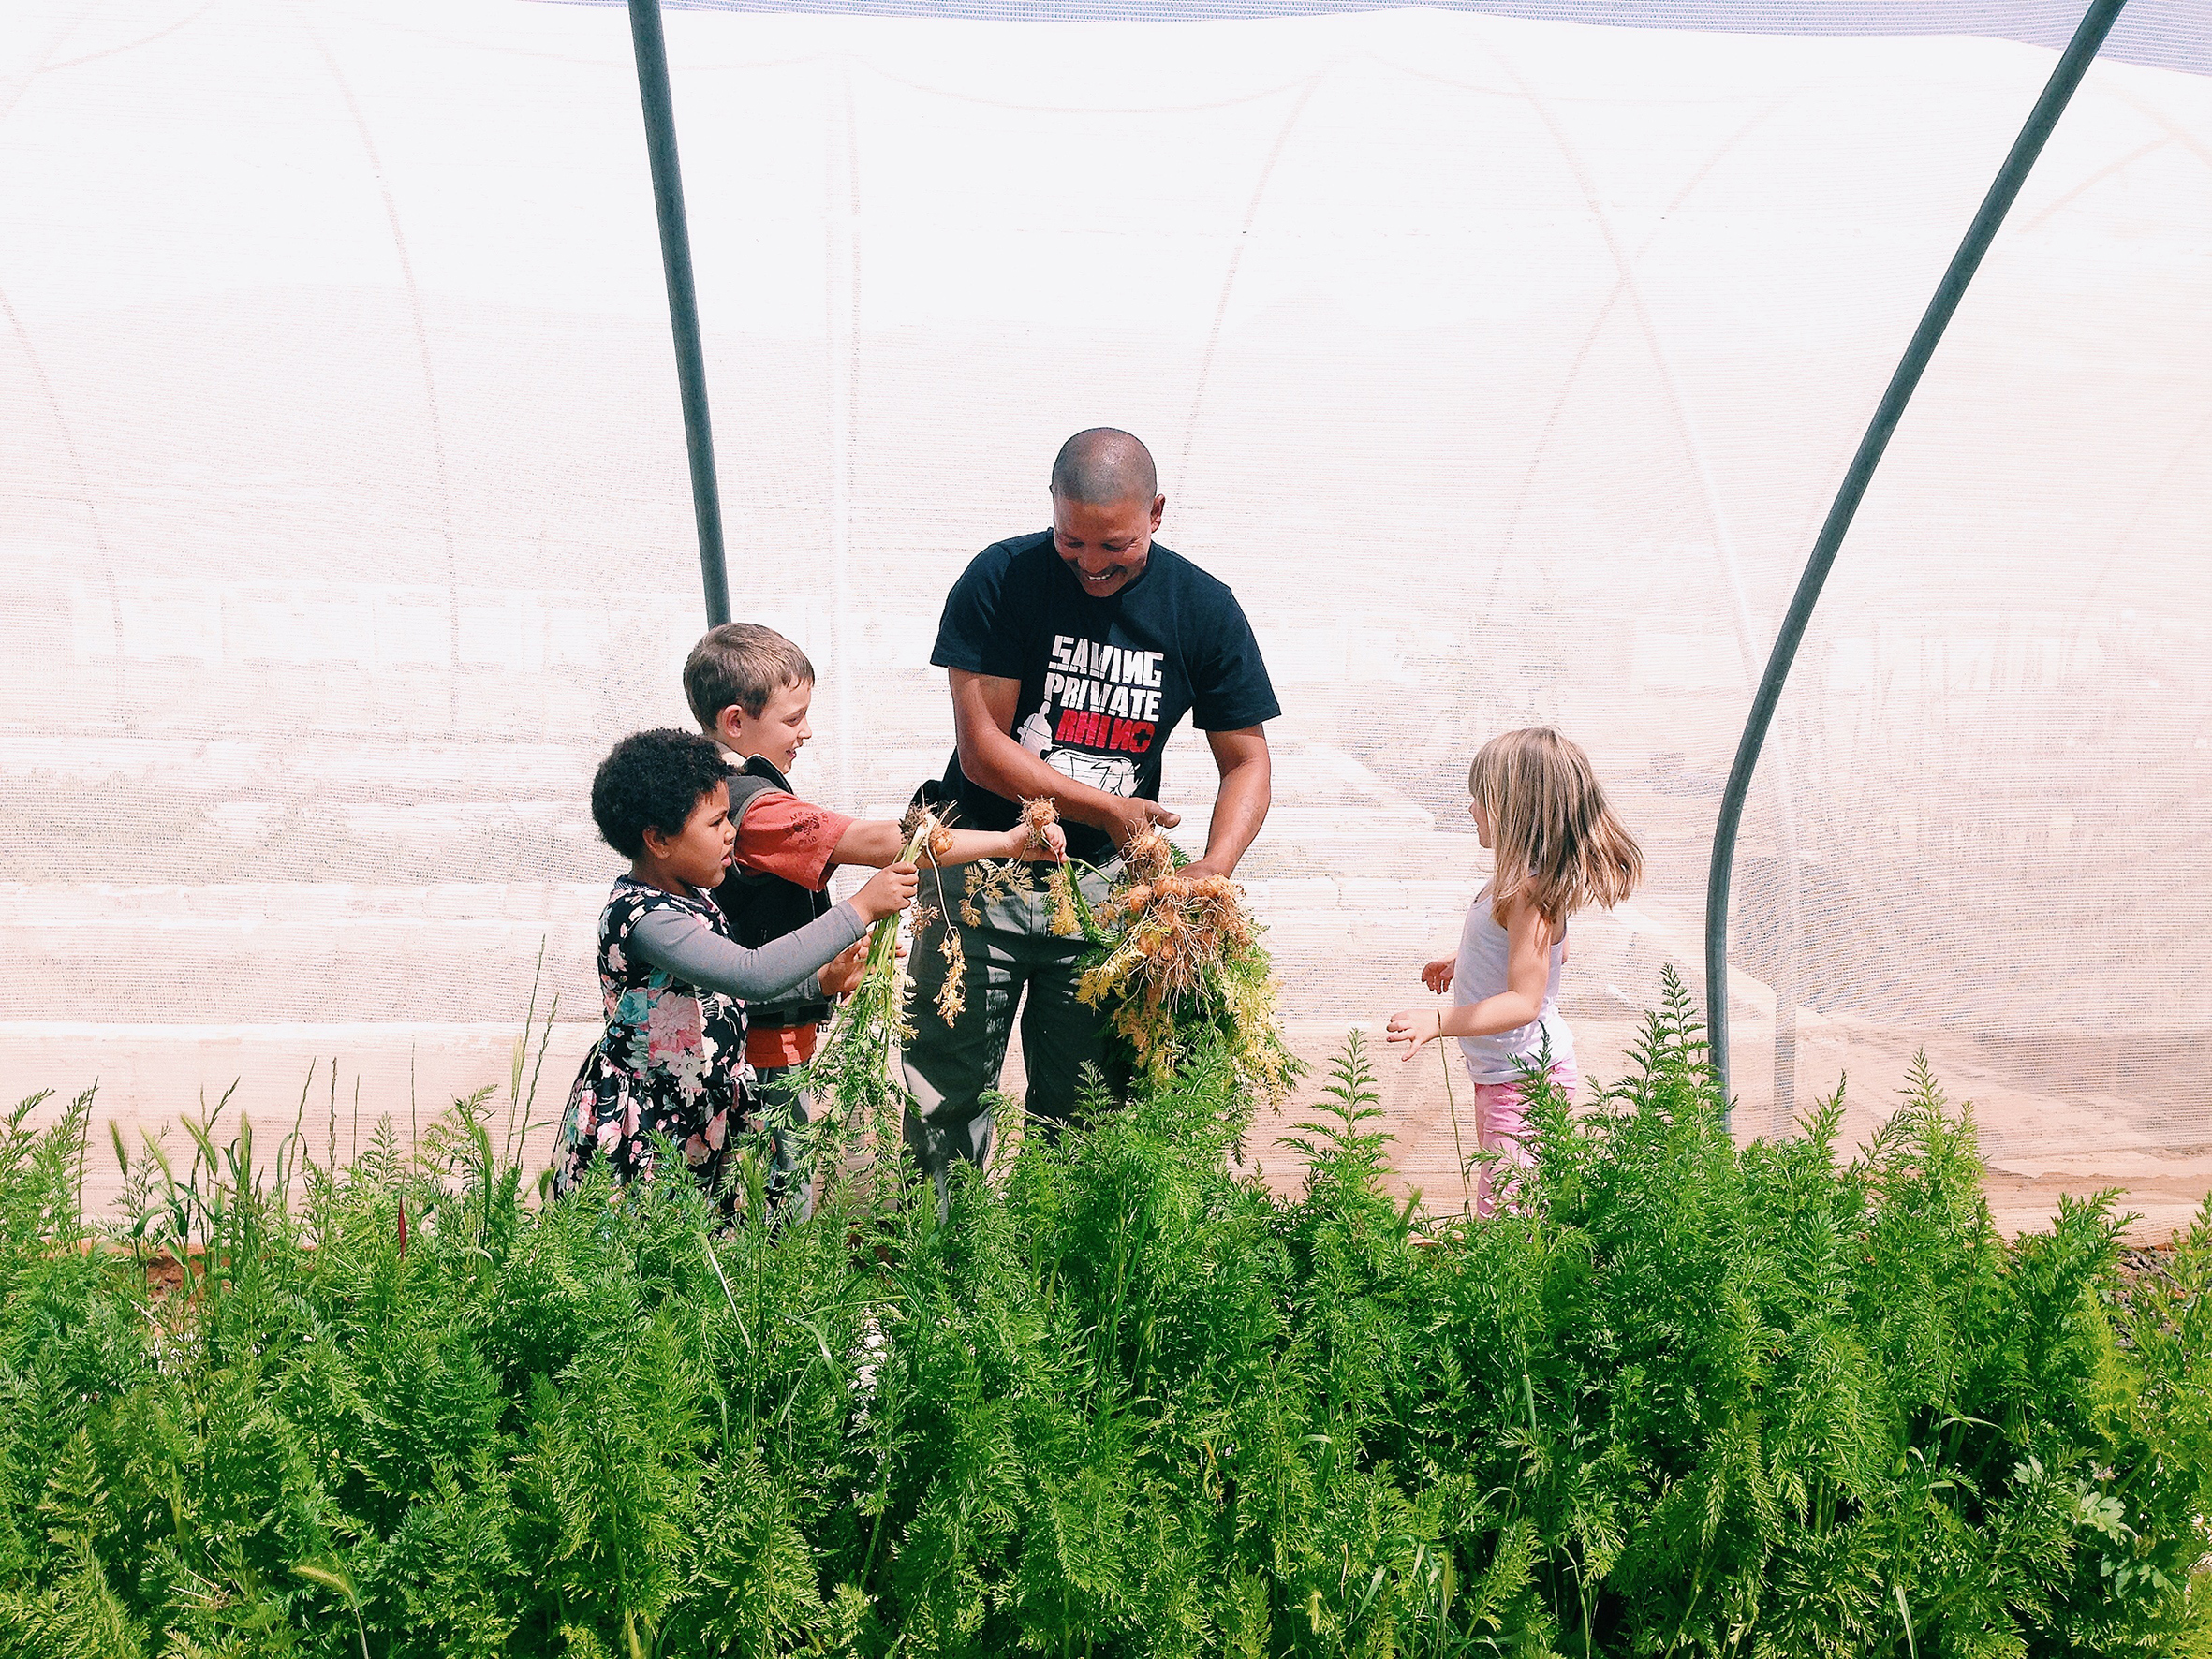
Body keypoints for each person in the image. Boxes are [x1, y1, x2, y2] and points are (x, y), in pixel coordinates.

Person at [901, 428, 1280, 1178]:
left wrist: (1213, 868)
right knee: (946, 1096)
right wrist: (1108, 810)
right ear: (1051, 506)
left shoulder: (1202, 607)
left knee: (1085, 1108)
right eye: (1071, 541)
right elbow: (983, 750)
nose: (1092, 563)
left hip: (1104, 894)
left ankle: (1052, 1253)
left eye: (1116, 545)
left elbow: (1247, 760)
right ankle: (935, 1245)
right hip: (980, 870)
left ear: (1156, 513)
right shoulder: (1002, 578)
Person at [682, 623, 1066, 1217]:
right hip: (758, 1049)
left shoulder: (714, 788)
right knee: (776, 1198)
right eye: (793, 719)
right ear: (735, 721)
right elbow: (878, 842)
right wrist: (1009, 841)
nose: (807, 732)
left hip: (763, 1030)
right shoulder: (753, 806)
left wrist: (824, 976)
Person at [551, 727, 917, 1201]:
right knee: (645, 1240)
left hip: (697, 1116)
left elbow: (726, 993)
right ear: (658, 839)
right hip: (646, 1127)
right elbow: (752, 974)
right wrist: (860, 908)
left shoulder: (694, 898)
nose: (731, 833)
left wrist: (823, 981)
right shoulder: (647, 920)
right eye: (716, 822)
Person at [1385, 727, 1644, 1216]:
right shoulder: (1513, 886)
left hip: (1526, 1084)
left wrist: (1437, 1021)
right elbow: (1553, 956)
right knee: (1511, 1203)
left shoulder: (1528, 894)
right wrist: (1464, 962)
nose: (1471, 809)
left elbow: (1526, 1001)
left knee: (1507, 1216)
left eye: (1479, 799)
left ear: (1512, 810)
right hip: (1504, 1075)